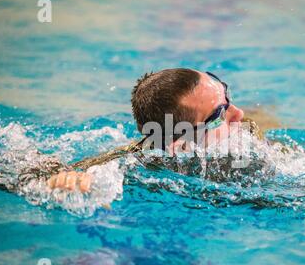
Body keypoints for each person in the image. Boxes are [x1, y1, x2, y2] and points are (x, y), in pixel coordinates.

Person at [47, 68, 262, 193]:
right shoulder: (136, 167)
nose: (239, 114)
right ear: (182, 144)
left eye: (226, 95)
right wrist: (63, 180)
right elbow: (35, 171)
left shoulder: (252, 148)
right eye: (219, 115)